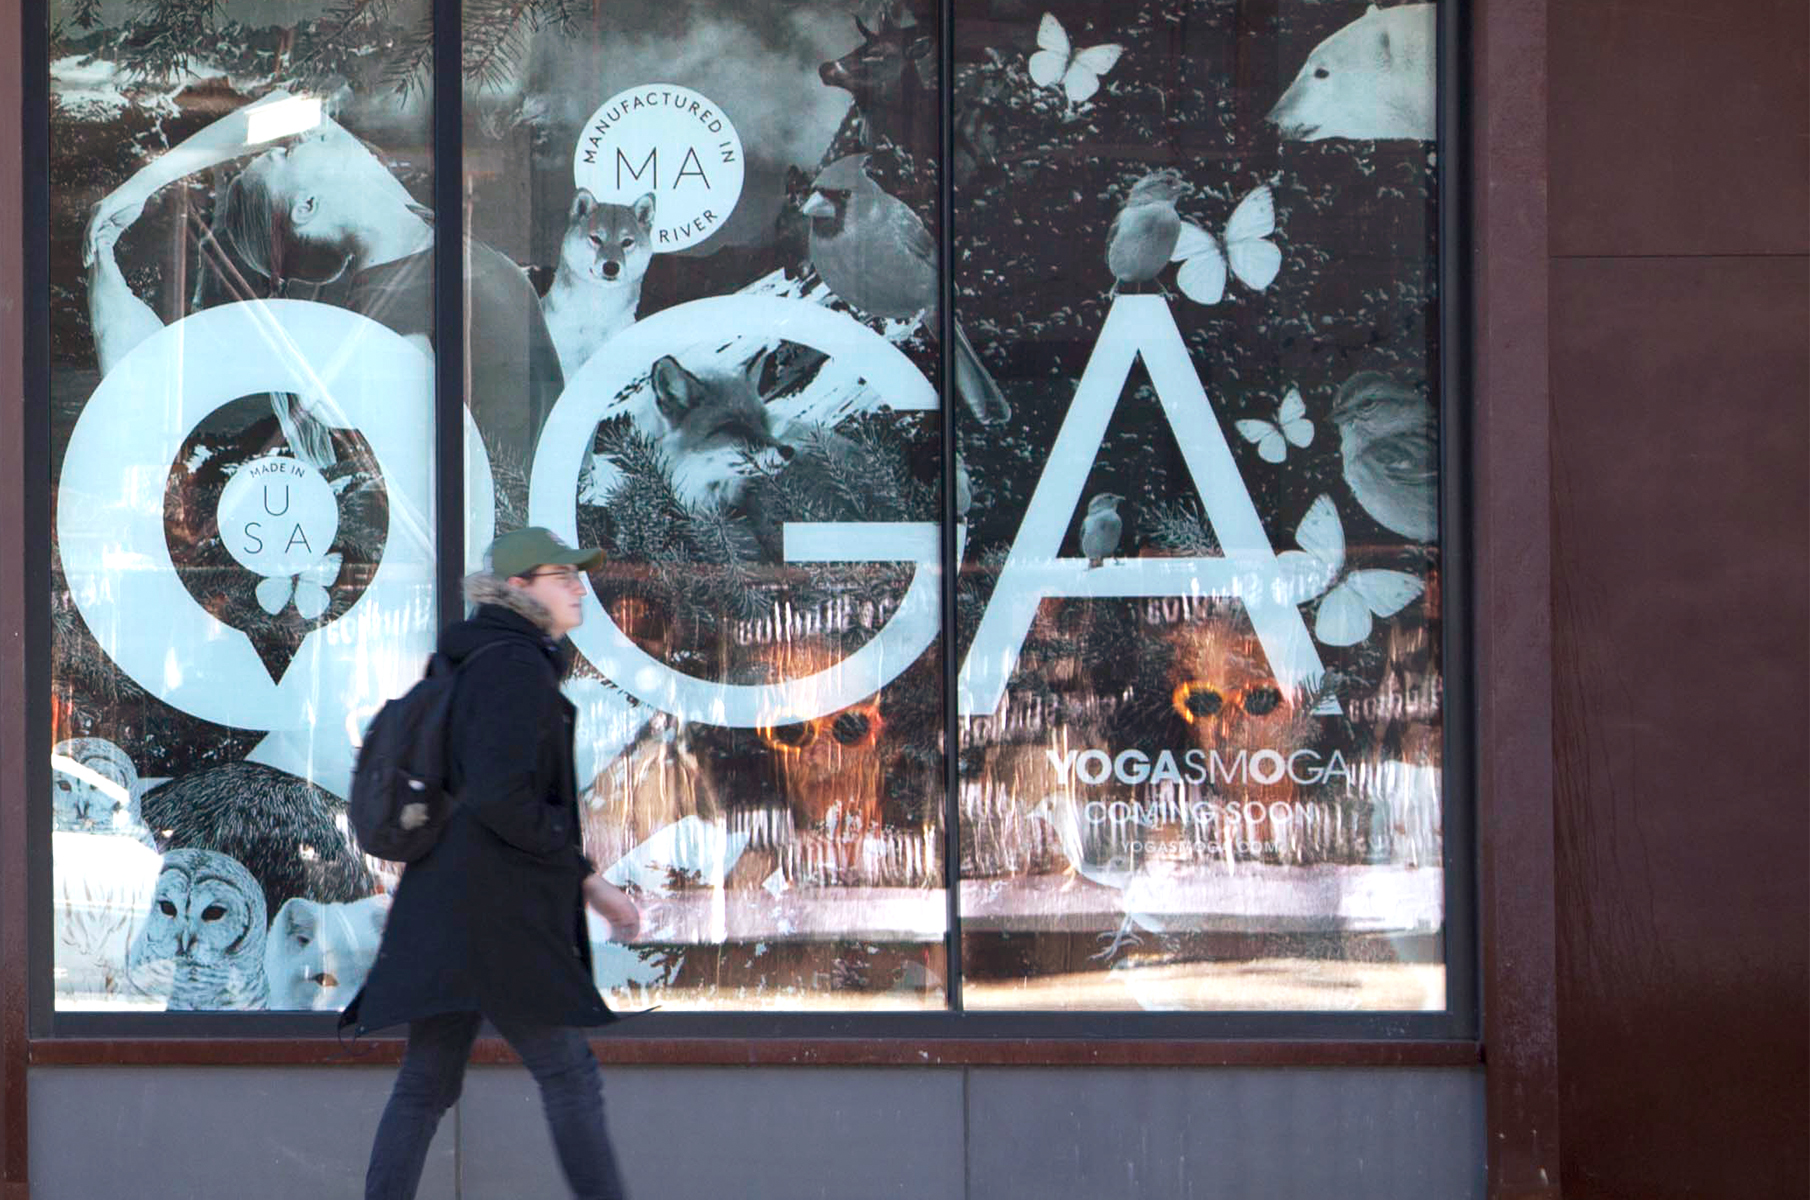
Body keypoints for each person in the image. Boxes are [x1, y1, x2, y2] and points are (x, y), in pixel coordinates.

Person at [342, 526, 641, 1200]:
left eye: (577, 574)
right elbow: (501, 795)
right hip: (499, 916)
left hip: (451, 906)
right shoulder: (511, 664)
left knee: (425, 1084)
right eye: (560, 575)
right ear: (517, 587)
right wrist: (588, 879)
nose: (577, 587)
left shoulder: (478, 657)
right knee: (568, 1076)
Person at [84, 100, 562, 496]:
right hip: (521, 551)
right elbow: (435, 480)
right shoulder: (387, 311)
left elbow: (291, 108)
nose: (299, 136)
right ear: (307, 207)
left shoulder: (413, 226)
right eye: (287, 157)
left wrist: (144, 182)